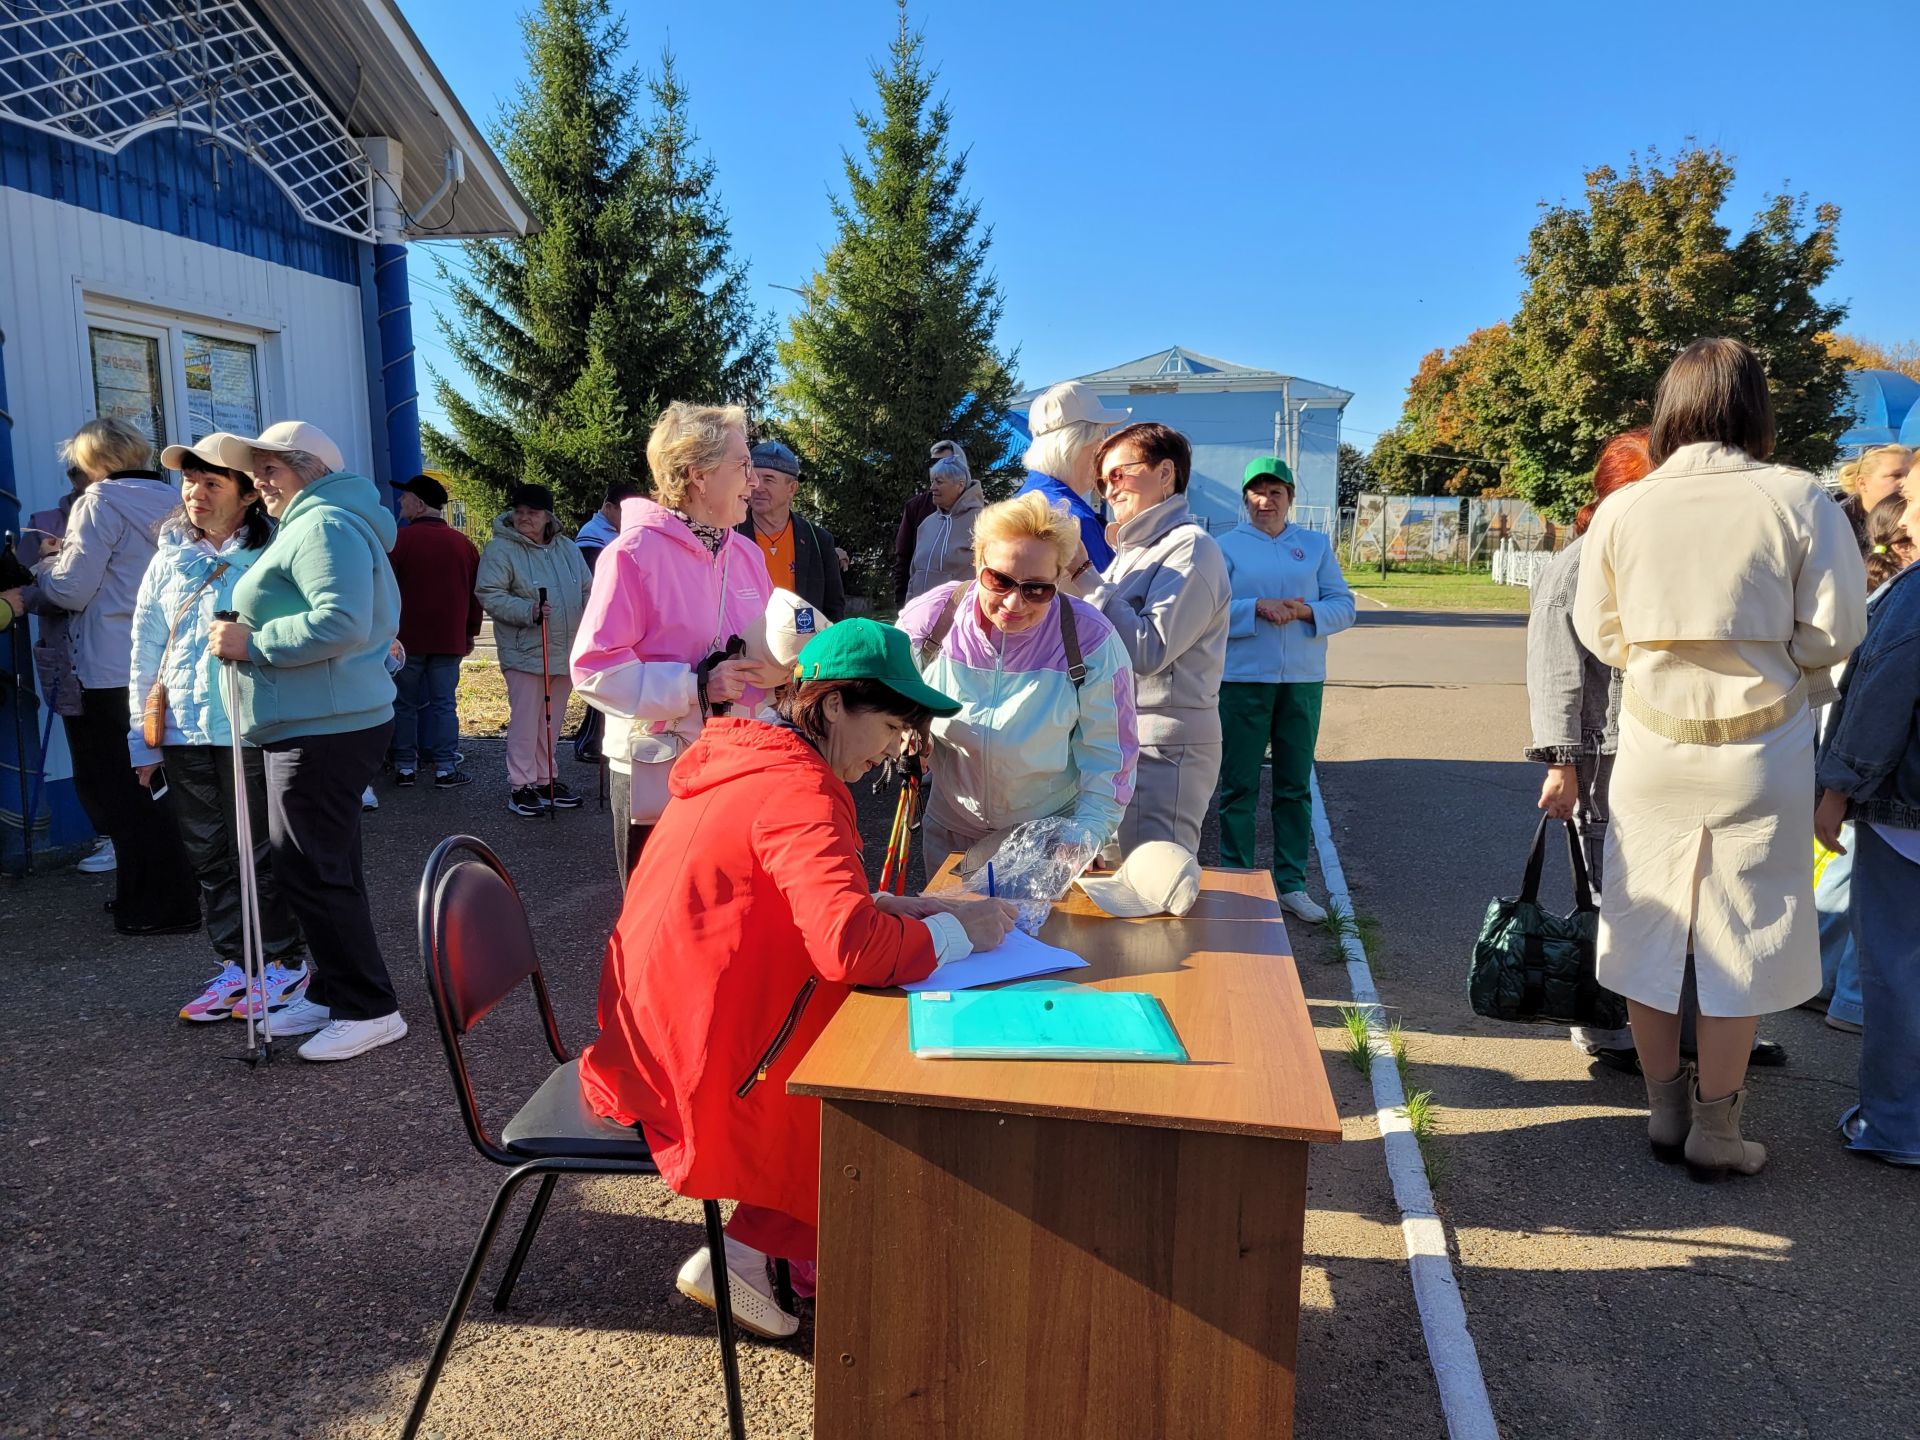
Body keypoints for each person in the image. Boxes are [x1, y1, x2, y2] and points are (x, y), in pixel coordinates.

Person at [580, 619, 1017, 1334]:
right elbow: (844, 946)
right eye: (891, 724)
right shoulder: (801, 789)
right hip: (698, 1062)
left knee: (862, 1039)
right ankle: (745, 1255)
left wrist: (903, 907)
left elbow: (782, 895)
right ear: (836, 704)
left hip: (649, 1032)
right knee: (869, 1088)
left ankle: (768, 1250)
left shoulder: (749, 755)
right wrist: (954, 931)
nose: (896, 748)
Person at [1573, 338, 1866, 1180]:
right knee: (1743, 927)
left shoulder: (1629, 507)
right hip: (1761, 741)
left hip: (1656, 740)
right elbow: (1838, 629)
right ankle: (1718, 1127)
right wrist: (1784, 661)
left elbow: (1602, 632)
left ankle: (1663, 1108)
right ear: (1755, 406)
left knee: (1648, 920)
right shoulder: (1798, 498)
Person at [208, 421, 408, 1063]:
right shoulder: (316, 521)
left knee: (311, 868)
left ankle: (369, 1007)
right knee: (324, 865)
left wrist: (253, 642)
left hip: (325, 723)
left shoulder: (323, 524)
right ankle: (333, 991)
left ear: (310, 470)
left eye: (274, 468)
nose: (261, 480)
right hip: (319, 718)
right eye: (258, 468)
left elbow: (341, 621)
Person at [134, 434, 307, 1019]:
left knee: (260, 852)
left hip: (251, 726)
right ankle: (237, 963)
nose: (196, 494)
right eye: (190, 482)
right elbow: (145, 648)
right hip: (185, 730)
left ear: (246, 496)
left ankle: (283, 964)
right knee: (208, 854)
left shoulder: (274, 553)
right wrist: (144, 738)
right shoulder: (168, 559)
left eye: (212, 483)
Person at [572, 403, 774, 880]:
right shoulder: (632, 554)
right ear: (697, 475)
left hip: (737, 761)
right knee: (661, 919)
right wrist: (694, 686)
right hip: (657, 772)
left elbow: (760, 651)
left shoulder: (745, 553)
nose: (755, 482)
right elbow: (594, 671)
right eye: (743, 466)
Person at [898, 492, 1138, 874]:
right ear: (977, 563)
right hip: (952, 832)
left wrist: (1086, 834)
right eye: (999, 580)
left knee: (1034, 936)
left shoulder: (1091, 639)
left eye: (1036, 588)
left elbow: (1112, 754)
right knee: (952, 933)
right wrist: (908, 727)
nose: (1014, 603)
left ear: (1059, 578)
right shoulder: (932, 619)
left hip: (1047, 838)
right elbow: (888, 698)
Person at [30, 417, 196, 933]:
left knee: (120, 793)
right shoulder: (173, 499)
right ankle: (155, 897)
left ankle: (157, 907)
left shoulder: (98, 502)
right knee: (158, 787)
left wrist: (41, 569)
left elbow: (72, 590)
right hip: (164, 662)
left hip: (106, 666)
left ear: (93, 461)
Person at [1525, 431, 1651, 1069]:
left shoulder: (1649, 553)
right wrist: (1560, 761)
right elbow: (1554, 671)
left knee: (1659, 896)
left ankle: (1680, 1026)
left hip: (1649, 746)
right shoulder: (1576, 563)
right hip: (1601, 750)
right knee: (1605, 889)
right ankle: (1604, 1026)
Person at [1815, 546, 1920, 1167]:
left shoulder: (1914, 593)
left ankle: (1896, 1124)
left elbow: (1884, 693)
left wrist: (1837, 790)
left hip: (1907, 813)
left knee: (1899, 966)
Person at [1216, 457, 1356, 922]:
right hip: (1242, 680)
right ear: (1245, 498)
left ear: (1290, 498)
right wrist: (1255, 607)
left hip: (1300, 680)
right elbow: (1211, 610)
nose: (1265, 501)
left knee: (1294, 785)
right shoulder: (1225, 547)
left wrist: (1303, 613)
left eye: (1275, 492)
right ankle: (1237, 880)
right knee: (1239, 784)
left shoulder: (1313, 546)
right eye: (1256, 492)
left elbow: (1343, 605)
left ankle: (1291, 882)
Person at [1082, 422, 1229, 854]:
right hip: (1124, 740)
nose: (1108, 490)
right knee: (1114, 886)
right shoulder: (1131, 554)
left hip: (1164, 747)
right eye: (1101, 481)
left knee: (1153, 885)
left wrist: (1081, 576)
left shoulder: (1191, 547)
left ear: (1166, 474)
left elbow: (1149, 649)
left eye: (1118, 474)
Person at [477, 482, 593, 816]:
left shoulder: (568, 548)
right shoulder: (501, 550)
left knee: (551, 721)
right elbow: (489, 593)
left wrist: (592, 621)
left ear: (547, 516)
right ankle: (521, 784)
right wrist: (528, 610)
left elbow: (587, 589)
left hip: (564, 650)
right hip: (526, 651)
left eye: (533, 512)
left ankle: (546, 779)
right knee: (527, 722)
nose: (524, 518)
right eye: (520, 511)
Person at [386, 471, 481, 788]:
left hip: (405, 641)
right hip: (448, 639)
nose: (400, 502)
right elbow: (474, 595)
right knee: (444, 704)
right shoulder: (463, 544)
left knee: (404, 704)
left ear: (418, 503)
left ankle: (405, 767)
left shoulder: (399, 541)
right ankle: (444, 768)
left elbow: (385, 591)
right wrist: (470, 633)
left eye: (405, 497)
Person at [1017, 381, 1129, 578]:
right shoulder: (1075, 520)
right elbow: (1105, 603)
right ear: (1076, 444)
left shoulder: (1019, 503)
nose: (1105, 451)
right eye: (1102, 437)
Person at [571, 482, 643, 764]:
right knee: (602, 689)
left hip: (613, 619)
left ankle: (590, 740)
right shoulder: (593, 536)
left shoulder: (613, 533)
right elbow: (597, 582)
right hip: (600, 619)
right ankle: (588, 741)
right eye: (622, 512)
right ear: (608, 507)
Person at [737, 441, 846, 621]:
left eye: (769, 479)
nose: (757, 486)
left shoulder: (818, 540)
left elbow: (833, 607)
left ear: (792, 488)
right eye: (753, 478)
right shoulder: (730, 535)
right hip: (745, 645)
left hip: (805, 646)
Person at [904, 452, 985, 601]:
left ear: (960, 485)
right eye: (932, 481)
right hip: (920, 613)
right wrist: (909, 605)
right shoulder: (927, 524)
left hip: (958, 615)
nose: (932, 487)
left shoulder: (983, 522)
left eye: (939, 482)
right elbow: (914, 573)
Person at [892, 442, 962, 607]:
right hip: (920, 606)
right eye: (935, 463)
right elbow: (903, 557)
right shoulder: (916, 507)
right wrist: (902, 604)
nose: (940, 468)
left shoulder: (978, 512)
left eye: (947, 463)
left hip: (961, 607)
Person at [1834, 444, 1912, 542]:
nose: (1907, 481)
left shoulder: (1914, 514)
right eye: (1896, 475)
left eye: (1910, 475)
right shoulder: (1837, 521)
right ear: (1862, 483)